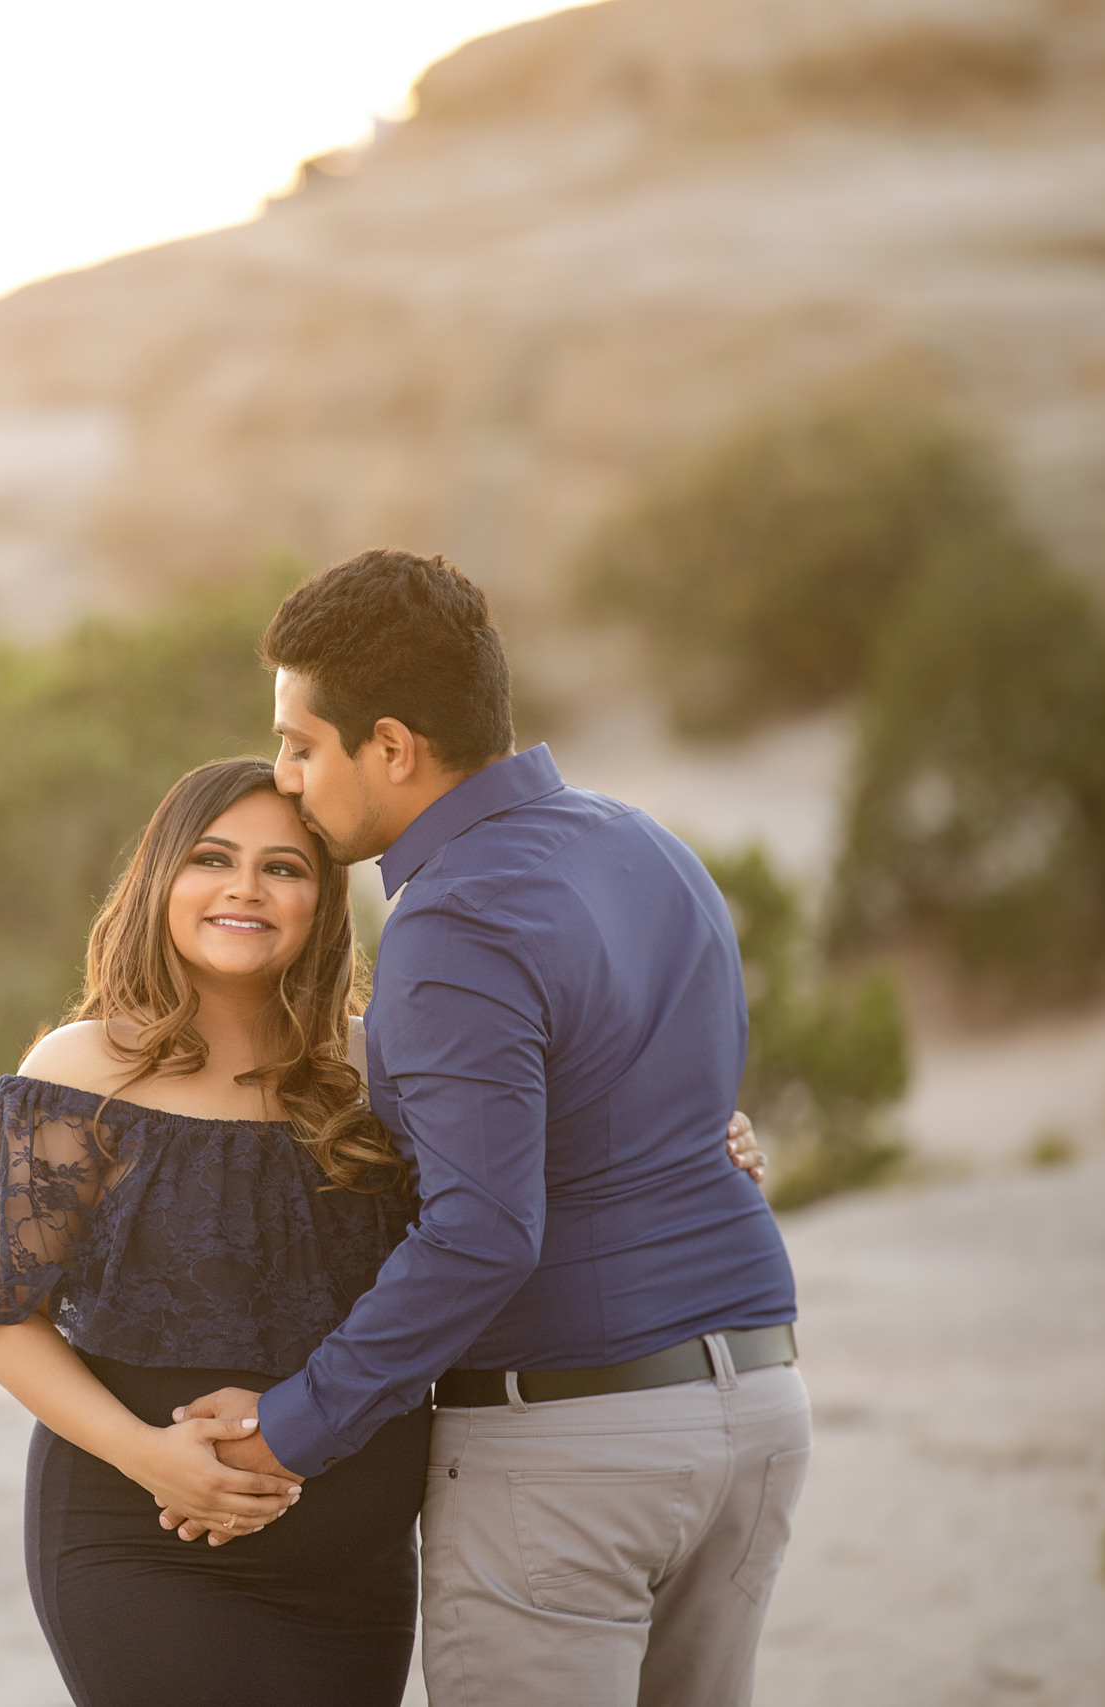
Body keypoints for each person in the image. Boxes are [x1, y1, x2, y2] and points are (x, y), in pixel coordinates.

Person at [0, 754, 768, 1707]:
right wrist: (149, 1455)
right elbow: (3, 1318)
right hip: (143, 1536)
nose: (245, 888)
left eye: (285, 867)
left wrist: (710, 1135)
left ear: (324, 900)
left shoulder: (388, 1062)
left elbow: (520, 1190)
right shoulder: (80, 1070)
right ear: (161, 878)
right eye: (213, 858)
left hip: (353, 1573)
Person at [166, 549, 808, 1707]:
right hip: (756, 1407)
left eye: (303, 744)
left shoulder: (454, 917)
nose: (287, 774)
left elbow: (481, 1233)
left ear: (394, 747)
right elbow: (679, 1107)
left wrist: (290, 1427)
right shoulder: (646, 847)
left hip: (575, 1452)